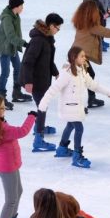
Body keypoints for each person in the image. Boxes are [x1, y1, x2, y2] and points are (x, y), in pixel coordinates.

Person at [38, 46, 110, 168]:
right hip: (69, 107)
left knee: (70, 125)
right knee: (79, 128)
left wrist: (107, 92)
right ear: (74, 57)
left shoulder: (81, 71)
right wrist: (43, 104)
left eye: (85, 56)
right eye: (82, 56)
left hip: (76, 106)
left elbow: (92, 85)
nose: (85, 58)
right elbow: (53, 89)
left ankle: (62, 148)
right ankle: (77, 156)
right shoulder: (67, 73)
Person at [71, 0, 110, 108]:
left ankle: (90, 99)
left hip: (76, 54)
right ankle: (85, 101)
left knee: (87, 75)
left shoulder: (80, 23)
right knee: (87, 76)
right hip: (79, 57)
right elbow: (107, 32)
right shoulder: (91, 26)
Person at [21, 13, 63, 153]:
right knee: (42, 106)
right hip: (35, 80)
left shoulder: (48, 39)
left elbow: (49, 60)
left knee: (43, 105)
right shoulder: (39, 40)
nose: (58, 30)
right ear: (51, 26)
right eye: (58, 28)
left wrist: (56, 73)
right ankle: (38, 140)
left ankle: (39, 126)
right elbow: (28, 61)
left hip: (43, 78)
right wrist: (28, 82)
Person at [0, 0, 30, 109]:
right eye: (21, 6)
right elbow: (10, 36)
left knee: (18, 69)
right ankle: (1, 98)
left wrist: (19, 43)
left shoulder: (16, 15)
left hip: (13, 47)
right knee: (5, 72)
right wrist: (24, 44)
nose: (22, 8)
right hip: (6, 48)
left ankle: (16, 92)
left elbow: (17, 33)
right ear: (16, 6)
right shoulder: (7, 18)